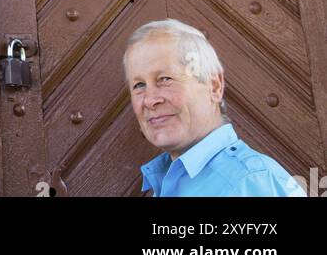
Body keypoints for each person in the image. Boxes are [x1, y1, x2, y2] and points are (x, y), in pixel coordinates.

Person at [124, 19, 305, 197]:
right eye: (139, 85)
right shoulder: (167, 179)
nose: (150, 100)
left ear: (214, 86)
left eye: (165, 79)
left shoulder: (251, 183)